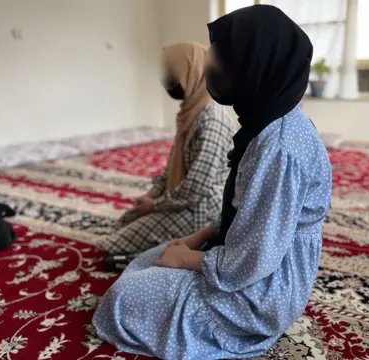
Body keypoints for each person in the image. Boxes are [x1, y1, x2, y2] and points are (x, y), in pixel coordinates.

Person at [93, 5, 332, 360]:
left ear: (256, 64)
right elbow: (246, 209)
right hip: (243, 257)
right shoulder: (265, 123)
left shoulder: (279, 147)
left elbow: (254, 257)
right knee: (148, 259)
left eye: (222, 58)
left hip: (259, 291)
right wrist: (200, 238)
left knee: (122, 299)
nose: (212, 67)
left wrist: (188, 260)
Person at [98, 42, 234, 255]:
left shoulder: (211, 120)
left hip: (201, 211)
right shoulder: (189, 113)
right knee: (123, 223)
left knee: (111, 246)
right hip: (180, 202)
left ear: (192, 72)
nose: (168, 80)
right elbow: (170, 170)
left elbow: (196, 188)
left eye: (173, 73)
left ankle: (188, 247)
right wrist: (151, 197)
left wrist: (154, 206)